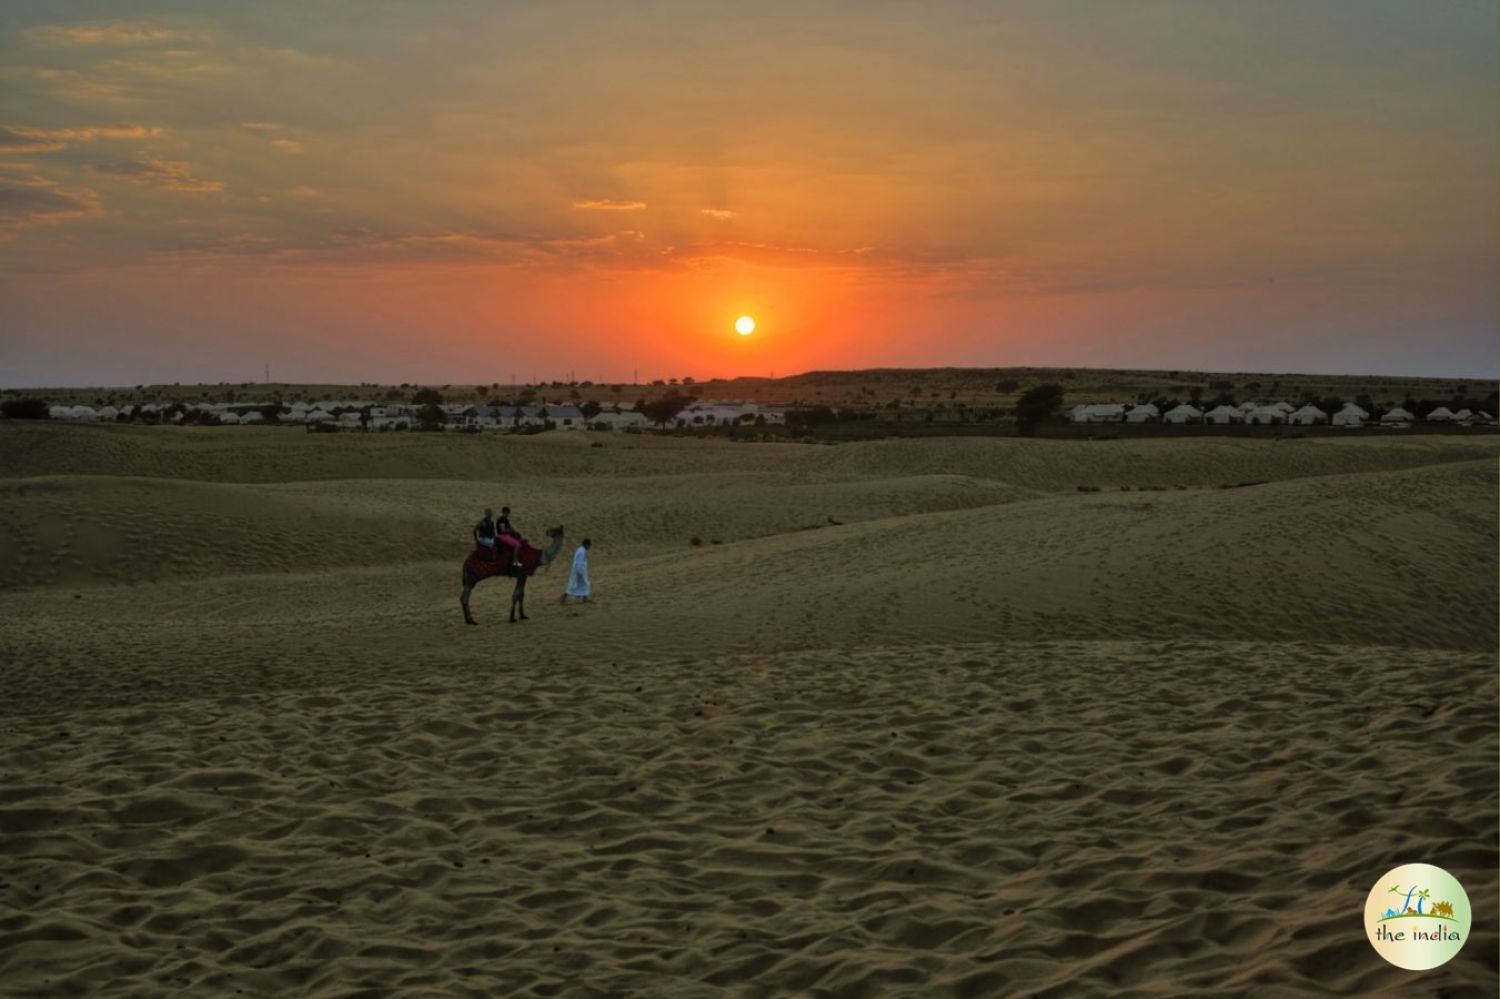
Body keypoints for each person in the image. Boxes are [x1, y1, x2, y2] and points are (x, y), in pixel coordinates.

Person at [560, 538, 592, 604]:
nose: (589, 547)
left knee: (584, 584)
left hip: (578, 571)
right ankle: (564, 597)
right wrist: (581, 573)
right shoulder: (581, 551)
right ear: (586, 545)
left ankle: (584, 598)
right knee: (575, 585)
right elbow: (579, 563)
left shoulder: (581, 550)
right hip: (578, 571)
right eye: (589, 545)